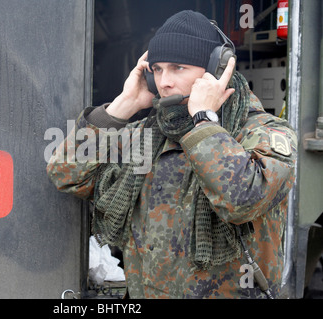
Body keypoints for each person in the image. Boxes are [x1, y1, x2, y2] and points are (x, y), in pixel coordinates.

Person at [46, 10, 297, 298]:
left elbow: (240, 200)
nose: (164, 82)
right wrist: (123, 105)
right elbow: (66, 174)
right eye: (157, 69)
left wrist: (203, 120)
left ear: (216, 71)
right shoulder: (147, 135)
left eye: (178, 68)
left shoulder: (264, 133)